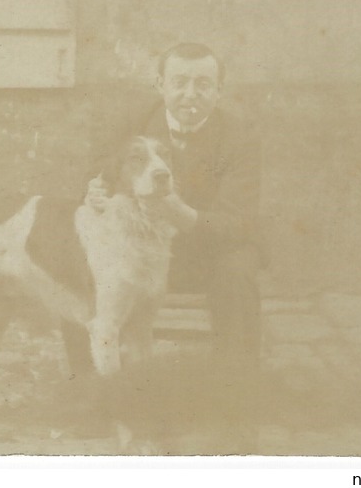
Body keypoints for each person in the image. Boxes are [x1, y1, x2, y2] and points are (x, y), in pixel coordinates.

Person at [88, 41, 262, 451]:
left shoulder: (240, 135)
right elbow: (98, 172)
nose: (190, 95)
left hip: (210, 247)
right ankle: (97, 401)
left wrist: (176, 210)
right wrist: (95, 190)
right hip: (148, 244)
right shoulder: (133, 122)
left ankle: (236, 406)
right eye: (180, 82)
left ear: (219, 91)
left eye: (203, 85)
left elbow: (236, 222)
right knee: (88, 264)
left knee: (238, 273)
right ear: (160, 84)